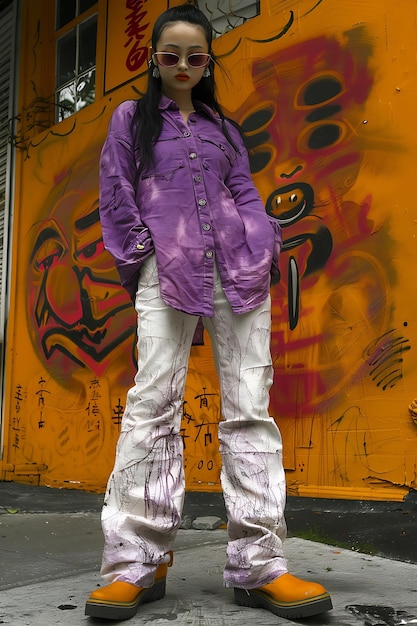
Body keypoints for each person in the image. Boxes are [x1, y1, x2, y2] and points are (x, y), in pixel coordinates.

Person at [85, 3, 332, 621]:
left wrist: (262, 234)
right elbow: (116, 190)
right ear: (153, 61)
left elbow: (243, 187)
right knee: (152, 403)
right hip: (165, 271)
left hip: (240, 269)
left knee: (250, 409)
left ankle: (260, 565)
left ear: (208, 60)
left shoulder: (223, 125)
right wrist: (145, 253)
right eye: (171, 55)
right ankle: (136, 562)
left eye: (196, 56)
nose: (184, 65)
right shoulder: (130, 119)